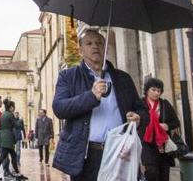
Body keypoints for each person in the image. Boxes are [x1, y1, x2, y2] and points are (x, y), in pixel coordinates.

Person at [52, 28, 148, 181]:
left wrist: (139, 118)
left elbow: (142, 110)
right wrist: (91, 96)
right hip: (87, 156)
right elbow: (59, 108)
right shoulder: (68, 76)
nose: (95, 46)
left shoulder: (123, 78)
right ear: (81, 49)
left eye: (99, 43)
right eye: (89, 43)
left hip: (119, 152)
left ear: (104, 47)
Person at [142, 77, 180, 181]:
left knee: (164, 175)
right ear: (147, 90)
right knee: (152, 173)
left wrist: (167, 126)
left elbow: (176, 122)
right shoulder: (141, 104)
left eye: (159, 90)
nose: (156, 93)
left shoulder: (165, 104)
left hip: (163, 146)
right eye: (153, 90)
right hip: (147, 145)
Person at [0, 100, 28, 180]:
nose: (14, 108)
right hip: (8, 138)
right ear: (11, 107)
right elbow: (17, 126)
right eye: (13, 107)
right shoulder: (10, 115)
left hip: (4, 137)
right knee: (4, 156)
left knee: (12, 155)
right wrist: (20, 120)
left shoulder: (3, 114)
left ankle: (17, 174)